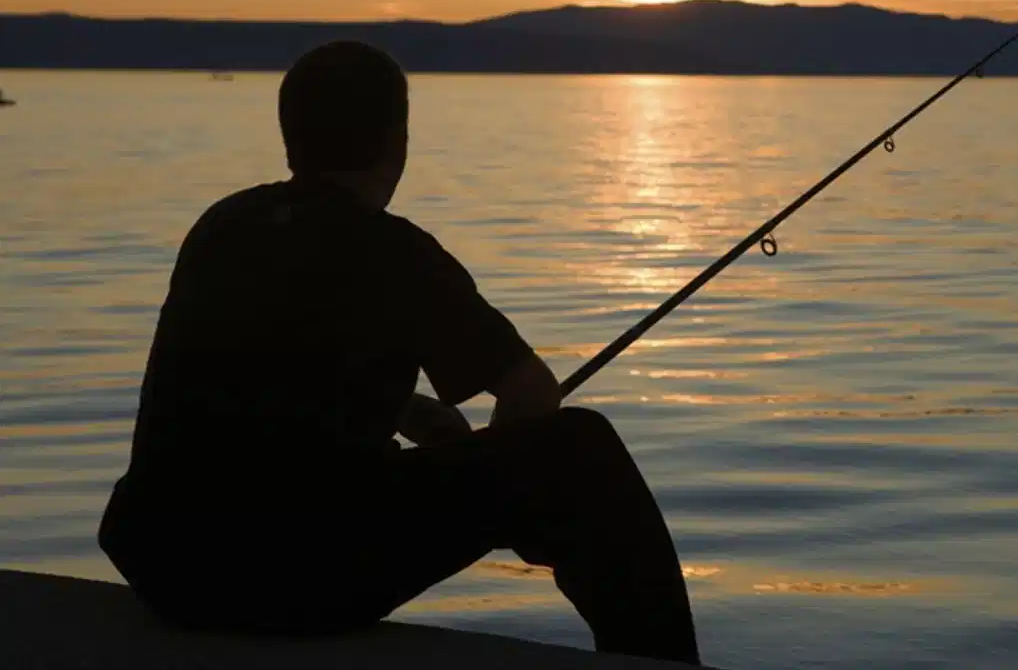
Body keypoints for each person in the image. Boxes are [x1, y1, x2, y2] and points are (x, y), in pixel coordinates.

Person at [98, 41, 701, 665]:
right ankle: (659, 663)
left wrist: (407, 411)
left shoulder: (224, 226)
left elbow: (264, 376)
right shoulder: (395, 252)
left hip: (165, 566)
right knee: (581, 448)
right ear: (398, 142)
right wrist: (497, 473)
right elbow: (532, 394)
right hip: (286, 579)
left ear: (290, 138)